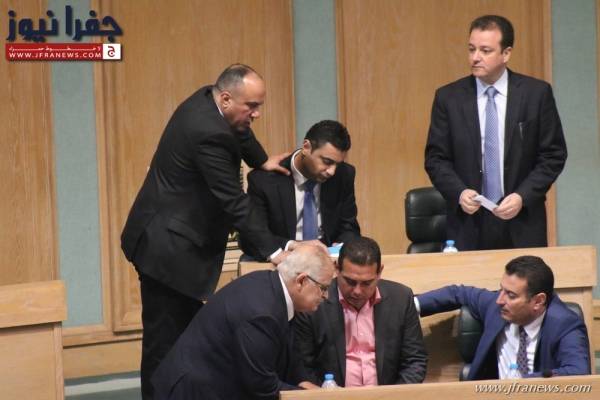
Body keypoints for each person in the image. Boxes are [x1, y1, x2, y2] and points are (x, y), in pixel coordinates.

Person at [120, 64, 289, 399]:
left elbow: (241, 128)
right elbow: (233, 200)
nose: (257, 114)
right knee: (164, 346)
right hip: (167, 249)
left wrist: (260, 160)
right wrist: (275, 251)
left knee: (185, 340)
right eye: (252, 106)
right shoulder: (207, 132)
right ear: (226, 98)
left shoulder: (209, 100)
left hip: (172, 238)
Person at [424, 15, 567, 251]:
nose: (475, 57)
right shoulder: (448, 97)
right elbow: (436, 158)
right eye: (471, 49)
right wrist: (459, 192)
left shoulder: (536, 94)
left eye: (485, 50)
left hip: (522, 219)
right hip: (468, 221)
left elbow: (553, 155)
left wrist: (522, 196)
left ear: (506, 53)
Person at [152, 245, 334, 399]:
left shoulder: (273, 288)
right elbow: (263, 387)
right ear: (301, 281)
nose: (326, 296)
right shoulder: (262, 314)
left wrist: (305, 385)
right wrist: (310, 397)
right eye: (323, 288)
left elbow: (288, 356)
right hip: (192, 392)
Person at [416, 255, 590, 380]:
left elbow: (578, 373)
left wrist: (522, 385)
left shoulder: (565, 325)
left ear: (538, 301)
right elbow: (457, 293)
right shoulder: (496, 306)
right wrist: (410, 306)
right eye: (501, 290)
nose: (499, 300)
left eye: (511, 295)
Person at [295, 237, 427, 386]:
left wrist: (393, 395)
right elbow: (303, 367)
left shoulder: (401, 298)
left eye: (366, 283)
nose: (357, 291)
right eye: (350, 282)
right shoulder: (313, 302)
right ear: (336, 268)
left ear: (379, 272)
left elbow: (415, 361)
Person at [240, 119, 360, 261]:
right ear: (306, 147)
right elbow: (251, 237)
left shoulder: (344, 174)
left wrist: (341, 245)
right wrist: (293, 245)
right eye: (327, 162)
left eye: (338, 164)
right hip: (284, 255)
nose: (332, 171)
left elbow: (349, 226)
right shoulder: (264, 180)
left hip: (326, 258)